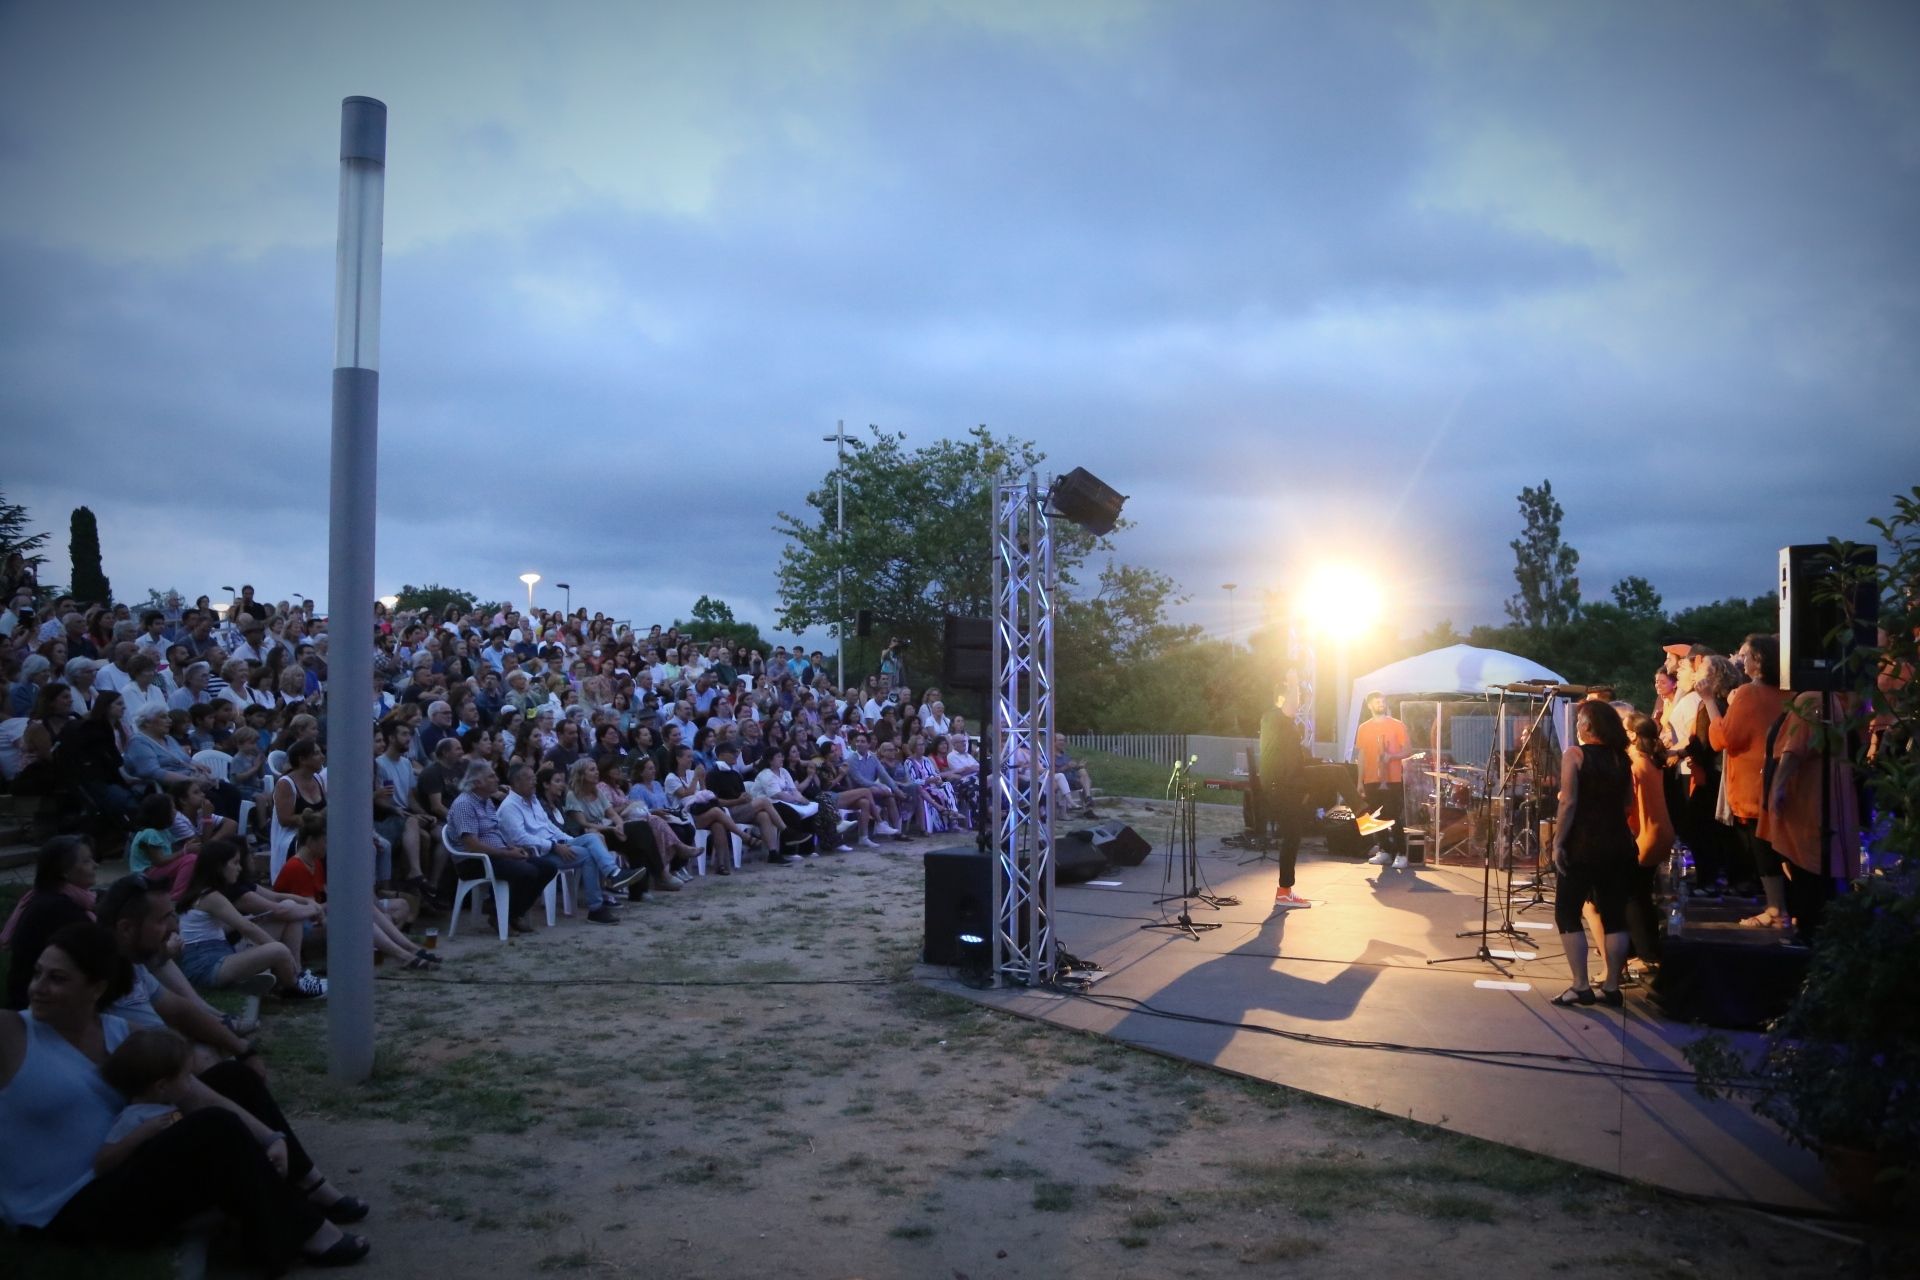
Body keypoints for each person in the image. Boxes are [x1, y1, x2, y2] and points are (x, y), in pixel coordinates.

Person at [0, 922, 371, 1269]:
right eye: (37, 974)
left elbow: (196, 1092)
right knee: (213, 1128)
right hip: (64, 1207)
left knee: (232, 1079)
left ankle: (306, 1186)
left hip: (124, 1167)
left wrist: (271, 1137)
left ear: (96, 988)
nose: (38, 987)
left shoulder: (118, 1032)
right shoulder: (13, 1033)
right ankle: (300, 1231)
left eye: (57, 978)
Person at [1548, 701, 1636, 1008]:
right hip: (1618, 844)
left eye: (1579, 722)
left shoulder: (1575, 754)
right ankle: (1612, 987)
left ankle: (1580, 985)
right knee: (1614, 916)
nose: (1577, 727)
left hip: (1583, 845)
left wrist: (1558, 842)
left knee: (1567, 911)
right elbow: (1628, 803)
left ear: (1588, 726)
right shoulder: (1621, 758)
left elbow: (1568, 802)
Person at [1707, 634, 1791, 927]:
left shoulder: (1749, 694)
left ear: (1759, 661)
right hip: (1783, 779)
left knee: (1763, 847)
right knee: (1782, 848)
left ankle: (1775, 909)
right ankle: (1787, 908)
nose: (1741, 661)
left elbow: (1724, 738)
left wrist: (1710, 702)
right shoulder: (1790, 692)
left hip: (1754, 784)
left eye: (1746, 656)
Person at [446, 760, 559, 935]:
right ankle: (501, 915)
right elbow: (472, 845)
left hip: (497, 855)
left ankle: (511, 914)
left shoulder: (487, 801)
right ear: (477, 783)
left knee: (548, 867)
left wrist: (511, 848)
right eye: (491, 776)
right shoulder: (464, 804)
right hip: (474, 861)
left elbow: (495, 832)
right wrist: (507, 853)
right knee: (527, 871)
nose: (497, 779)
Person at [3, 836, 98, 1010]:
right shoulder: (59, 909)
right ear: (64, 871)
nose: (95, 865)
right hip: (39, 1006)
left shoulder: (49, 896)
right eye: (86, 861)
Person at [1258, 689, 1310, 909]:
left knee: (1293, 837)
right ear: (1280, 699)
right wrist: (1292, 678)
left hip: (1292, 784)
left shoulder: (1286, 724)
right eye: (1292, 701)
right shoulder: (1272, 717)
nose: (1296, 706)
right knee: (1291, 836)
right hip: (1280, 788)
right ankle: (1284, 892)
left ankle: (1284, 891)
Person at [1354, 691, 1412, 869]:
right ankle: (1384, 850)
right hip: (1371, 778)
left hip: (1392, 778)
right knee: (1375, 816)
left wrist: (1391, 756)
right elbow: (1361, 756)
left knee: (1393, 815)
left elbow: (1408, 750)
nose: (1380, 703)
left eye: (1382, 701)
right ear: (1369, 705)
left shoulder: (1397, 725)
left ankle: (1401, 853)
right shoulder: (1363, 728)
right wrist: (1360, 782)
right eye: (1376, 701)